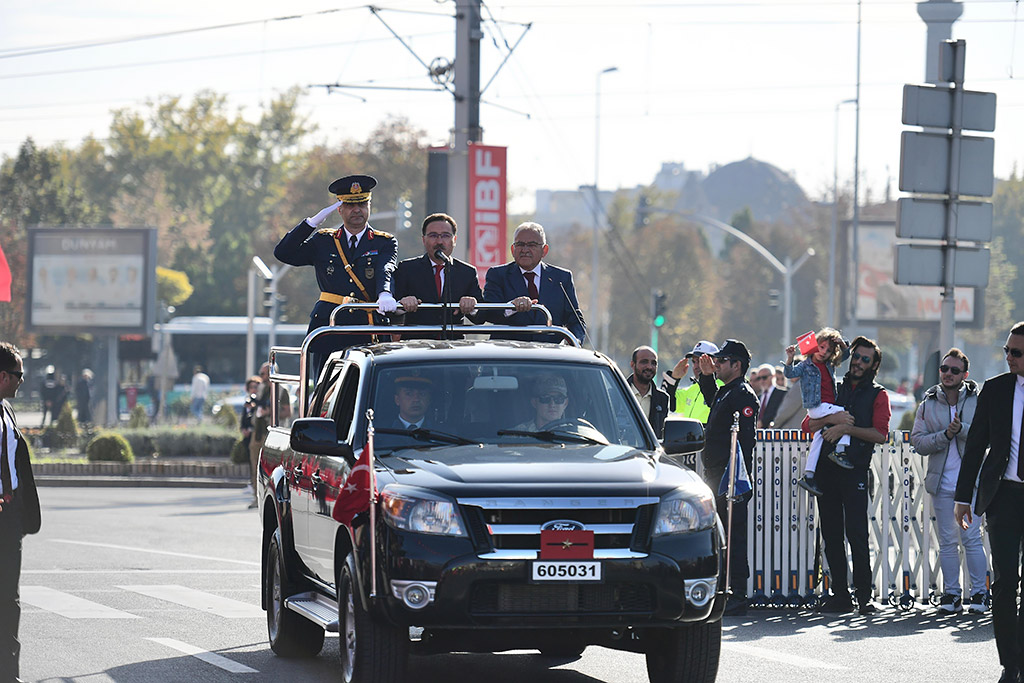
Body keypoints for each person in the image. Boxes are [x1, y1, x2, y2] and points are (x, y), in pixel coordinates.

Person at [955, 322, 1024, 683]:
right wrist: (963, 497)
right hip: (1004, 496)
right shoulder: (996, 390)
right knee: (1005, 582)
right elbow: (975, 445)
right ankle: (1009, 664)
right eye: (1007, 351)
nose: (1009, 358)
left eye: (1017, 353)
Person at [274, 174, 399, 369]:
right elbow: (283, 253)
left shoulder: (384, 241)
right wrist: (311, 224)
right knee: (325, 391)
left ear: (369, 206)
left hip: (367, 325)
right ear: (339, 209)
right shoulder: (324, 240)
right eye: (350, 205)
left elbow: (386, 268)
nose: (357, 210)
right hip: (330, 325)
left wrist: (384, 292)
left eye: (362, 204)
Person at [804, 335, 890, 615]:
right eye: (856, 356)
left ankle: (864, 596)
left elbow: (880, 435)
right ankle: (840, 594)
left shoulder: (879, 395)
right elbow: (808, 424)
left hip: (855, 471)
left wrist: (846, 429)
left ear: (874, 364)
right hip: (827, 471)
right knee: (830, 533)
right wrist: (833, 420)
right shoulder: (834, 386)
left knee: (857, 534)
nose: (858, 362)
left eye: (866, 359)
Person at [910, 348, 986, 615]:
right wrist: (944, 435)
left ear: (965, 375)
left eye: (955, 370)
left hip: (971, 485)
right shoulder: (928, 403)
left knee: (971, 539)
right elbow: (917, 442)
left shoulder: (978, 399)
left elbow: (987, 435)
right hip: (941, 486)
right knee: (946, 542)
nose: (948, 374)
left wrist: (961, 430)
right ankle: (951, 594)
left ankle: (979, 593)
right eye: (944, 369)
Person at [696, 339, 758, 616]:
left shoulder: (743, 395)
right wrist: (707, 377)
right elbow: (713, 402)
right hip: (716, 474)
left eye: (722, 361)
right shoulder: (727, 392)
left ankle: (738, 594)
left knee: (734, 537)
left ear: (737, 365)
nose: (717, 364)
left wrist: (734, 478)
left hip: (730, 477)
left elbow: (746, 442)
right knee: (720, 536)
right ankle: (723, 588)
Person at [0, 342, 42, 683]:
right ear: (1, 376)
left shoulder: (6, 412)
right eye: (18, 375)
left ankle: (8, 674)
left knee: (8, 599)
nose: (21, 381)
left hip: (9, 519)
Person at [483, 222, 585, 344]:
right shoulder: (498, 275)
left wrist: (573, 342)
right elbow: (488, 313)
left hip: (549, 356)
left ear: (544, 250)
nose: (525, 250)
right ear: (512, 249)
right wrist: (511, 307)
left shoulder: (562, 278)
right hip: (508, 355)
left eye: (532, 245)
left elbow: (576, 321)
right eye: (520, 244)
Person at [784, 328, 852, 496]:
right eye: (821, 347)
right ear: (815, 345)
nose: (824, 352)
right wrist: (790, 358)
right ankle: (841, 450)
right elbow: (789, 373)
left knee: (818, 440)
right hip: (816, 407)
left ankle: (808, 475)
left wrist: (842, 344)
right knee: (844, 415)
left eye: (828, 350)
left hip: (825, 407)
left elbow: (845, 355)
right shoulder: (806, 365)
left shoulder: (829, 365)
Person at [392, 213, 482, 334]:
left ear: (454, 240)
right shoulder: (407, 268)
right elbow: (391, 312)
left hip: (454, 346)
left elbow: (481, 317)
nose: (439, 241)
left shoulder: (467, 272)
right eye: (433, 235)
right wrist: (403, 304)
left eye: (445, 236)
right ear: (424, 240)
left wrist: (471, 306)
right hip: (417, 345)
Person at [661, 341, 722, 422]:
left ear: (715, 361)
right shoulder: (691, 390)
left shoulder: (723, 387)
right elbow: (667, 403)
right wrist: (673, 378)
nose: (696, 366)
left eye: (701, 361)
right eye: (694, 361)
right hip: (690, 434)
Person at [627, 346, 670, 438]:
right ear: (632, 364)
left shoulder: (662, 399)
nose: (649, 367)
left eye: (653, 363)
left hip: (651, 452)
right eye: (644, 362)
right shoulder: (616, 395)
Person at [240, 375, 261, 498]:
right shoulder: (247, 402)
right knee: (251, 462)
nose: (253, 389)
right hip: (248, 438)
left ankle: (255, 487)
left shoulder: (259, 402)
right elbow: (243, 419)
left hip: (256, 435)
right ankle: (252, 485)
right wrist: (243, 429)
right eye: (251, 387)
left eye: (255, 387)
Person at [754, 363, 787, 428]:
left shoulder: (783, 393)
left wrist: (763, 422)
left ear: (773, 376)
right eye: (759, 378)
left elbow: (781, 414)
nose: (761, 381)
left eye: (764, 377)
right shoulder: (758, 397)